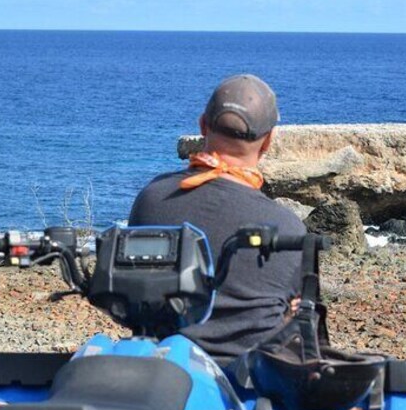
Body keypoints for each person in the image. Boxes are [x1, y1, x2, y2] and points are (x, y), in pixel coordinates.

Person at [128, 74, 306, 358]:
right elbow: (291, 316)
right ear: (268, 141)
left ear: (202, 126)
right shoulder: (287, 226)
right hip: (248, 380)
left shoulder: (151, 199)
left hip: (163, 369)